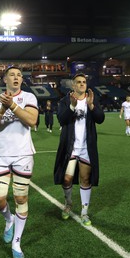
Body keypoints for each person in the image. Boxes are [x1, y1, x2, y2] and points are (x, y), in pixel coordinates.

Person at [0, 66, 38, 258]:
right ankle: (9, 220)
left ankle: (17, 241)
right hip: (1, 155)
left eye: (19, 75)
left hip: (23, 155)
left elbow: (32, 120)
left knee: (21, 198)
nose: (16, 78)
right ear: (4, 79)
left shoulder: (29, 98)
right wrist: (2, 108)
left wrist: (13, 106)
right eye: (12, 75)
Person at [53, 73, 105, 226]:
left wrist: (91, 106)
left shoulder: (92, 100)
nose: (82, 84)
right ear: (73, 85)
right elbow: (61, 119)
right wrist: (71, 107)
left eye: (84, 82)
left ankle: (84, 212)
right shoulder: (64, 101)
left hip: (86, 147)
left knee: (85, 179)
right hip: (70, 147)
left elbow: (100, 119)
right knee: (67, 178)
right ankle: (68, 203)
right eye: (78, 82)